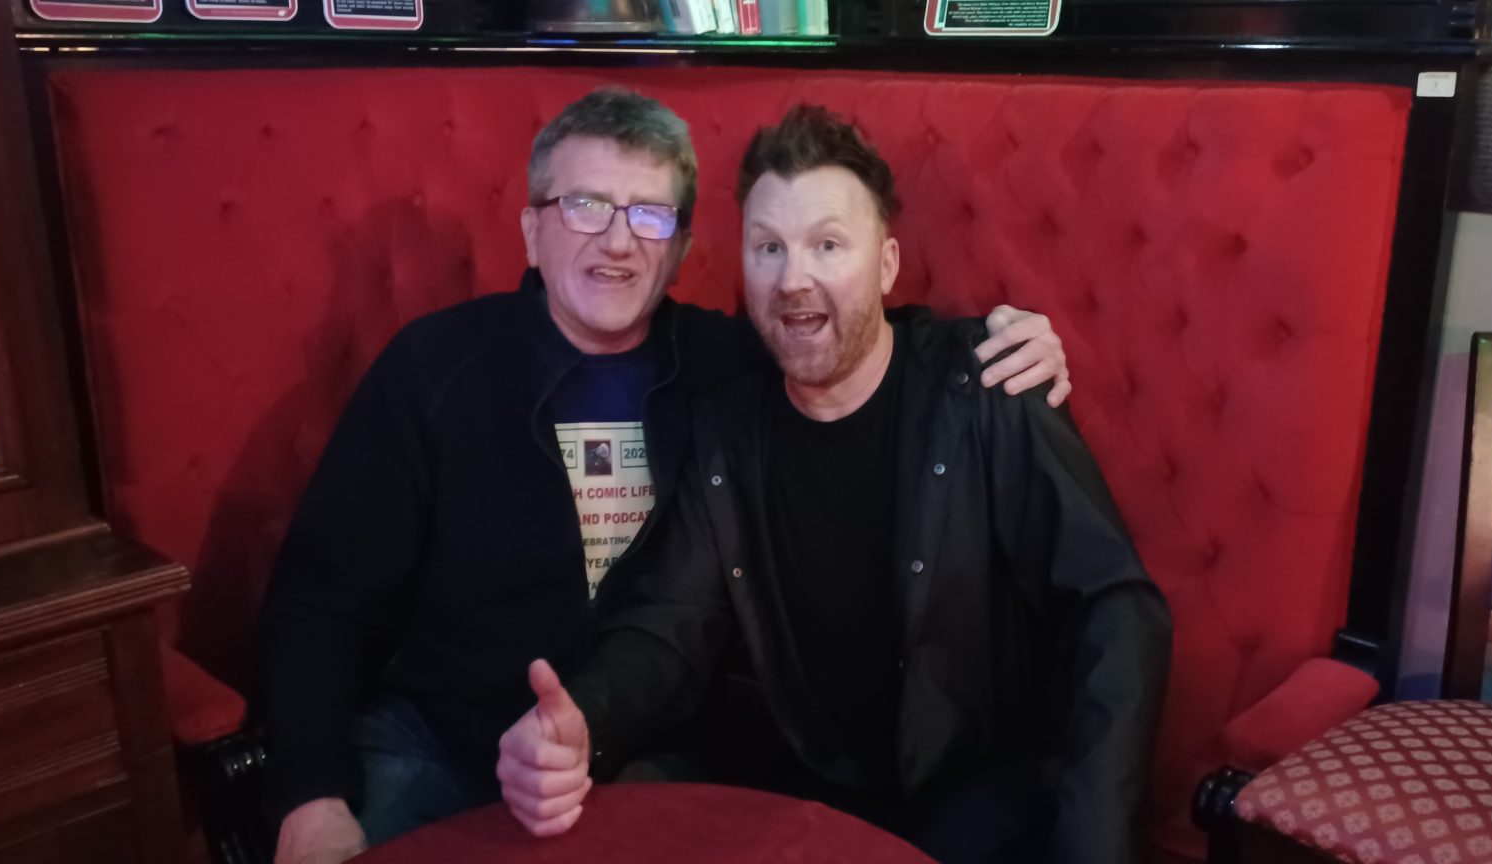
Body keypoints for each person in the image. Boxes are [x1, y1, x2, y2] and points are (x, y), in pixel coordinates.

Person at [261, 88, 1075, 864]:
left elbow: (849, 336)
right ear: (532, 231)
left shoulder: (731, 370)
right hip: (436, 746)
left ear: (680, 246)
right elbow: (319, 599)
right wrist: (310, 797)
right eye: (585, 206)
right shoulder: (433, 369)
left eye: (648, 214)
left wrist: (990, 343)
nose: (618, 242)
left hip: (644, 753)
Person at [496, 104, 1172, 864]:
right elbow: (670, 623)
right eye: (769, 247)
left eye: (827, 244)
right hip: (810, 805)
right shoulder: (727, 429)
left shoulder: (988, 384)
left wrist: (1094, 844)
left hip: (987, 808)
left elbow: (1118, 612)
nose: (794, 279)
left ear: (885, 265)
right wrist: (585, 721)